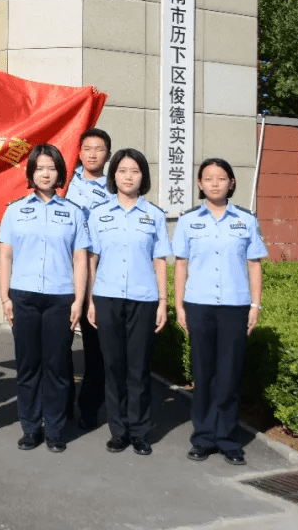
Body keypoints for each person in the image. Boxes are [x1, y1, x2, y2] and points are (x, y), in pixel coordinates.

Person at [173, 159, 267, 466]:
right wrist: (179, 305)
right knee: (203, 373)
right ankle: (203, 437)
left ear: (232, 183)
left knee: (228, 375)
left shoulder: (246, 220)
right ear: (199, 184)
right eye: (209, 178)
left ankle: (227, 439)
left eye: (221, 178)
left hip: (234, 306)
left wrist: (255, 304)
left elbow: (254, 264)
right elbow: (181, 265)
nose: (215, 183)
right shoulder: (188, 221)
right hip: (199, 305)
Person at [0, 144, 89, 453]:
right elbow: (6, 256)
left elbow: (80, 259)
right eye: (40, 168)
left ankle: (55, 429)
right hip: (23, 297)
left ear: (60, 172)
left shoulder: (73, 213)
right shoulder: (15, 209)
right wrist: (5, 297)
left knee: (57, 367)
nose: (46, 173)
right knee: (28, 366)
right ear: (31, 173)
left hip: (60, 298)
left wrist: (78, 301)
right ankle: (30, 427)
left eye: (51, 168)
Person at [85, 148, 171, 457]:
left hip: (143, 298)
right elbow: (92, 259)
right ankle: (118, 431)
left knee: (138, 368)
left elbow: (160, 260)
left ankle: (139, 431)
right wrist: (91, 300)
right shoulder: (98, 214)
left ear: (143, 177)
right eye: (122, 171)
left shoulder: (154, 215)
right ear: (114, 176)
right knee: (113, 366)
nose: (128, 176)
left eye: (134, 171)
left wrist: (163, 301)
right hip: (107, 298)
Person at [64, 127, 112, 430]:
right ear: (79, 152)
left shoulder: (116, 184)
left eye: (99, 149)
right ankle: (61, 406)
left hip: (99, 275)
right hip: (63, 272)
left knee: (96, 348)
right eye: (87, 148)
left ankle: (90, 406)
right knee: (59, 344)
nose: (92, 154)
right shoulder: (64, 180)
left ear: (107, 153)